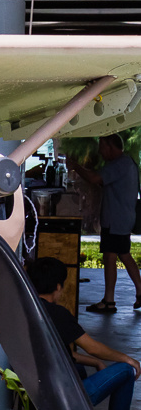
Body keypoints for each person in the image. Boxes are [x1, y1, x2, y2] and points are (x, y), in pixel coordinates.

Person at [26, 256, 140, 410]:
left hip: (37, 393)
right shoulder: (57, 313)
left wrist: (96, 362)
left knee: (78, 367)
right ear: (58, 287)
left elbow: (65, 354)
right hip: (63, 398)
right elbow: (92, 348)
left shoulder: (25, 309)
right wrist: (127, 359)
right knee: (126, 370)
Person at [67, 133, 140, 312]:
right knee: (123, 254)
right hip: (121, 217)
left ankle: (109, 301)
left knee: (110, 255)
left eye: (102, 148)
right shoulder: (124, 163)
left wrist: (75, 166)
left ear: (110, 146)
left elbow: (94, 179)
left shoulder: (120, 164)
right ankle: (137, 292)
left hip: (116, 218)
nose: (100, 153)